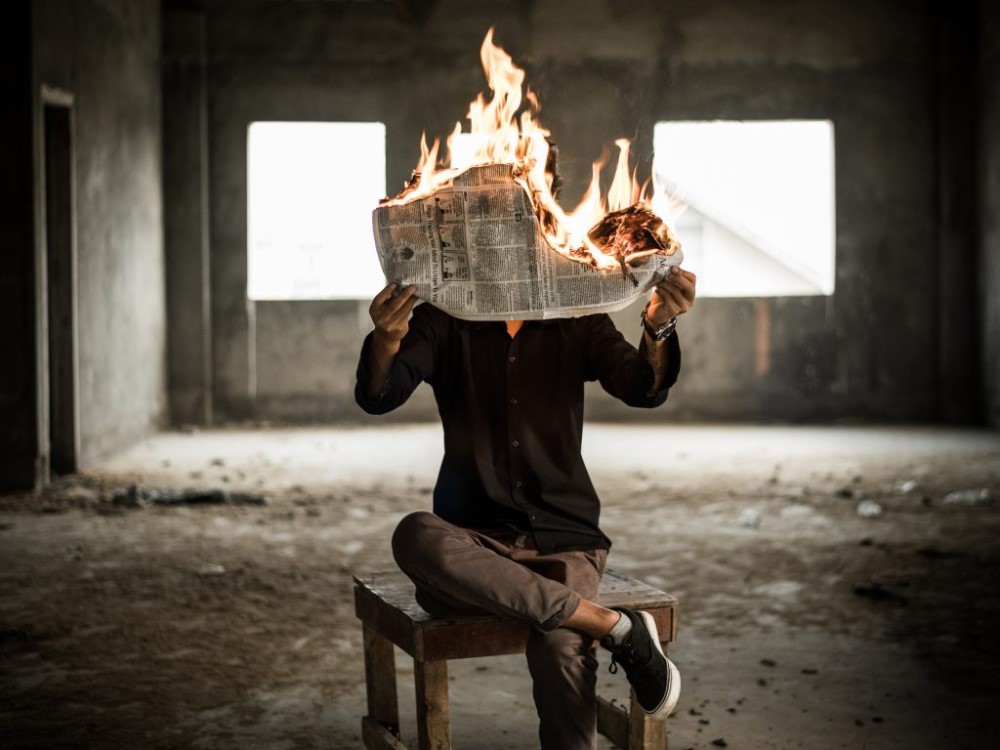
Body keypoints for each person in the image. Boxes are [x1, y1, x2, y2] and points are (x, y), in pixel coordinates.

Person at [355, 267, 696, 749]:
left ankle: (586, 624)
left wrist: (659, 325)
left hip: (564, 539)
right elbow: (379, 396)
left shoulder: (577, 317)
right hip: (474, 547)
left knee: (562, 646)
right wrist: (387, 337)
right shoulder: (444, 319)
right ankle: (610, 625)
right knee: (414, 533)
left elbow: (643, 387)